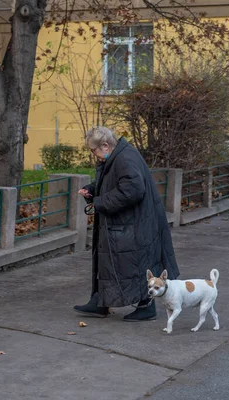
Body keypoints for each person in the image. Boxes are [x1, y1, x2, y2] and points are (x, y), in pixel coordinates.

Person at [74, 126, 180, 321]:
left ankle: (145, 307)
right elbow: (116, 184)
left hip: (133, 224)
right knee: (116, 263)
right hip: (129, 223)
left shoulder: (124, 158)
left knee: (134, 265)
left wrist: (98, 202)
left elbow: (132, 190)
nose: (93, 155)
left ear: (105, 145)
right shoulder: (120, 155)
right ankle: (100, 302)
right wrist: (92, 190)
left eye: (94, 150)